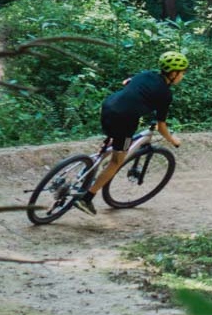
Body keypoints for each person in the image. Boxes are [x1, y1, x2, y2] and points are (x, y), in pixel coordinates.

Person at [74, 51, 187, 214]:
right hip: (124, 118)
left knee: (115, 139)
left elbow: (126, 82)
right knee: (116, 161)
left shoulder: (147, 74)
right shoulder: (165, 94)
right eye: (182, 73)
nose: (182, 76)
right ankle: (87, 198)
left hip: (108, 106)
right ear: (174, 73)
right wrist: (173, 140)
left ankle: (99, 158)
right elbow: (161, 126)